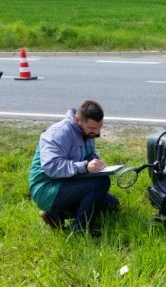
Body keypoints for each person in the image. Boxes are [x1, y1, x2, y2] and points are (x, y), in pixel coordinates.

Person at [29, 100, 119, 236]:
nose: (96, 132)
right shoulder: (57, 133)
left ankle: (57, 215)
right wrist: (85, 166)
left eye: (99, 127)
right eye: (93, 129)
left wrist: (96, 162)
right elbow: (51, 167)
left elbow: (87, 155)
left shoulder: (87, 132)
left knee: (111, 206)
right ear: (78, 120)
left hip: (66, 182)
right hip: (46, 188)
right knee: (101, 182)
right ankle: (79, 230)